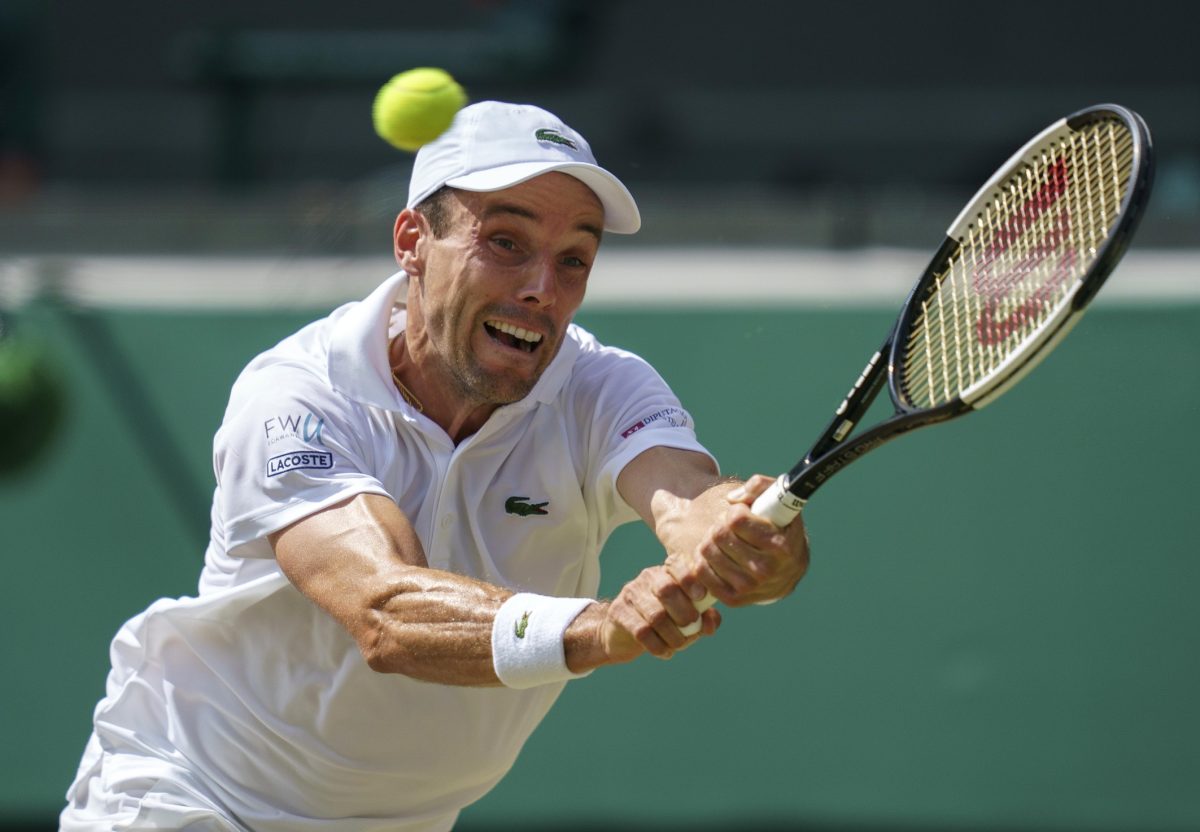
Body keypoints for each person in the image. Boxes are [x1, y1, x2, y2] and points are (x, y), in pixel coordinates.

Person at [61, 100, 810, 831]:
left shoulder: (602, 388)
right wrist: (599, 628)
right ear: (413, 240)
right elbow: (389, 614)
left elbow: (685, 497)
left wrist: (743, 546)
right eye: (506, 243)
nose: (541, 289)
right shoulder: (296, 396)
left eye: (574, 258)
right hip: (188, 795)